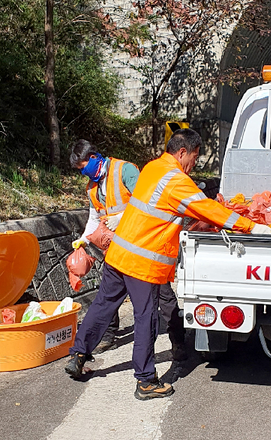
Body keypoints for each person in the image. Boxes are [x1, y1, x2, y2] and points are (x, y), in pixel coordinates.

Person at [65, 129, 271, 400]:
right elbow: (208, 209)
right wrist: (251, 227)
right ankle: (145, 381)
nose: (194, 164)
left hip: (118, 254)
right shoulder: (176, 180)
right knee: (146, 319)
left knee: (103, 306)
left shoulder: (153, 167)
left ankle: (79, 355)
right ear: (182, 152)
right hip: (141, 262)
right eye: (195, 158)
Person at [69, 139, 187, 359]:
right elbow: (94, 218)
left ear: (94, 157)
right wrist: (83, 239)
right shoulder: (92, 188)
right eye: (80, 170)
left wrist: (122, 217)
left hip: (144, 246)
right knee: (108, 296)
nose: (84, 173)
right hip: (116, 249)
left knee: (163, 296)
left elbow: (149, 201)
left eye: (84, 166)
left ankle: (178, 341)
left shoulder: (125, 171)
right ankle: (108, 336)